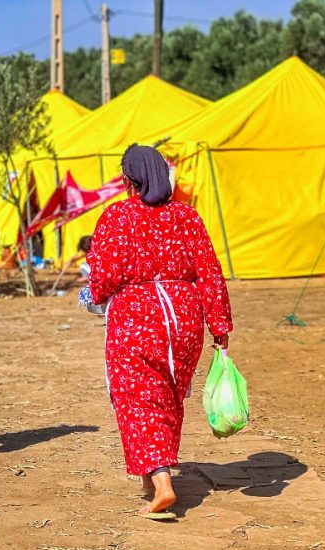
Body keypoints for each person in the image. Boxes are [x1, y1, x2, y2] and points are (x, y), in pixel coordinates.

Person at [86, 144, 232, 519]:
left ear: (129, 179)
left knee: (137, 400)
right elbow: (210, 273)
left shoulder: (118, 216)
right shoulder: (187, 216)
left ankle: (163, 484)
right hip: (185, 319)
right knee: (167, 396)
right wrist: (220, 326)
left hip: (137, 316)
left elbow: (103, 276)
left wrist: (93, 295)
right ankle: (152, 476)